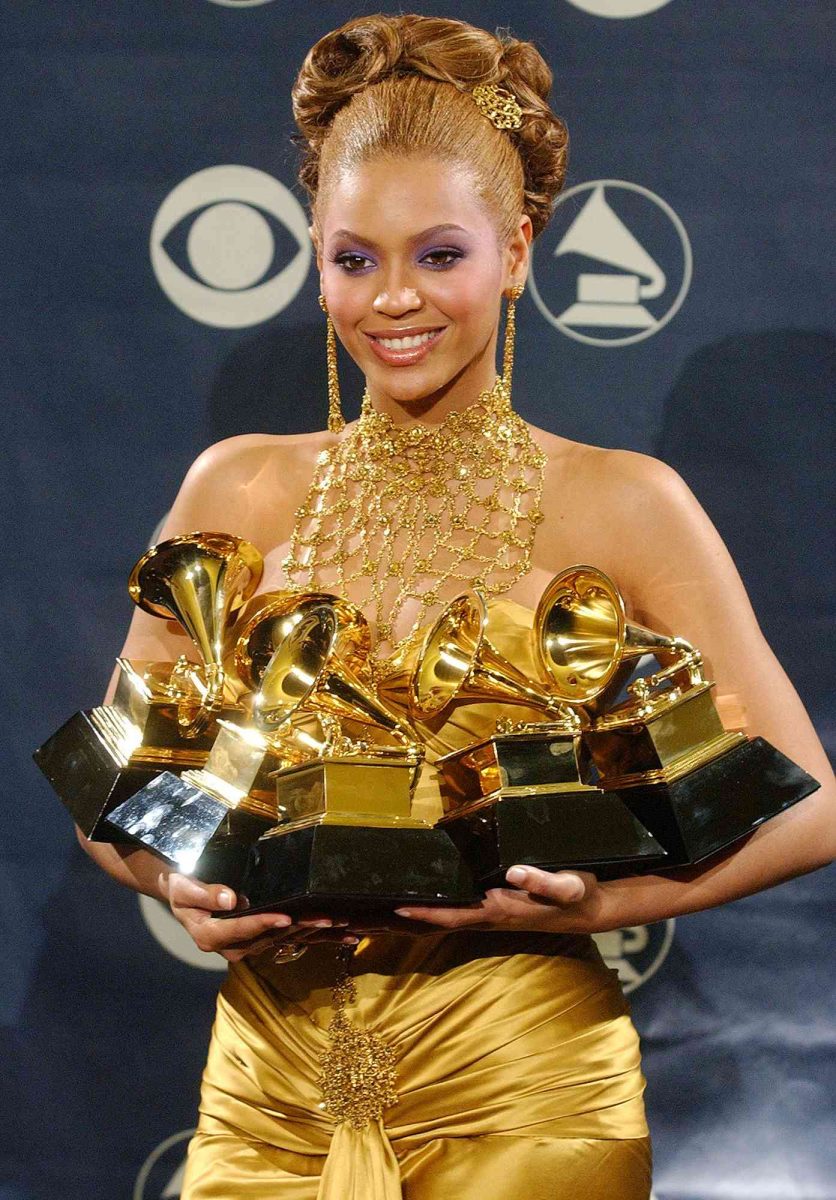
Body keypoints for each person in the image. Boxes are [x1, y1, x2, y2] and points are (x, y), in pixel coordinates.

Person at [76, 13, 835, 1200]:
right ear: (313, 256)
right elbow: (115, 796)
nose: (391, 300)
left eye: (438, 255)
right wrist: (174, 883)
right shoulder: (234, 486)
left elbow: (809, 801)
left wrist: (603, 902)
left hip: (522, 1086)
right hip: (264, 1096)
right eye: (352, 258)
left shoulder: (623, 504)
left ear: (518, 250)